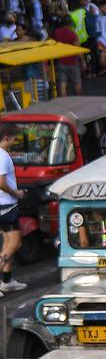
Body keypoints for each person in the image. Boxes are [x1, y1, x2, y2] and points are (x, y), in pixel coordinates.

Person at [0, 123, 27, 294]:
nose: (15, 140)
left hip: (3, 206)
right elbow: (1, 182)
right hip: (7, 206)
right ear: (6, 137)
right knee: (14, 244)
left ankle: (7, 281)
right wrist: (16, 192)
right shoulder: (2, 156)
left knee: (9, 244)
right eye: (14, 137)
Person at [53, 15, 84, 94]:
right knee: (77, 82)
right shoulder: (72, 34)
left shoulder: (57, 32)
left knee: (62, 83)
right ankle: (78, 98)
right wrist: (83, 61)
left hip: (61, 61)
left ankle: (64, 101)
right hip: (73, 61)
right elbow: (78, 49)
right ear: (70, 23)